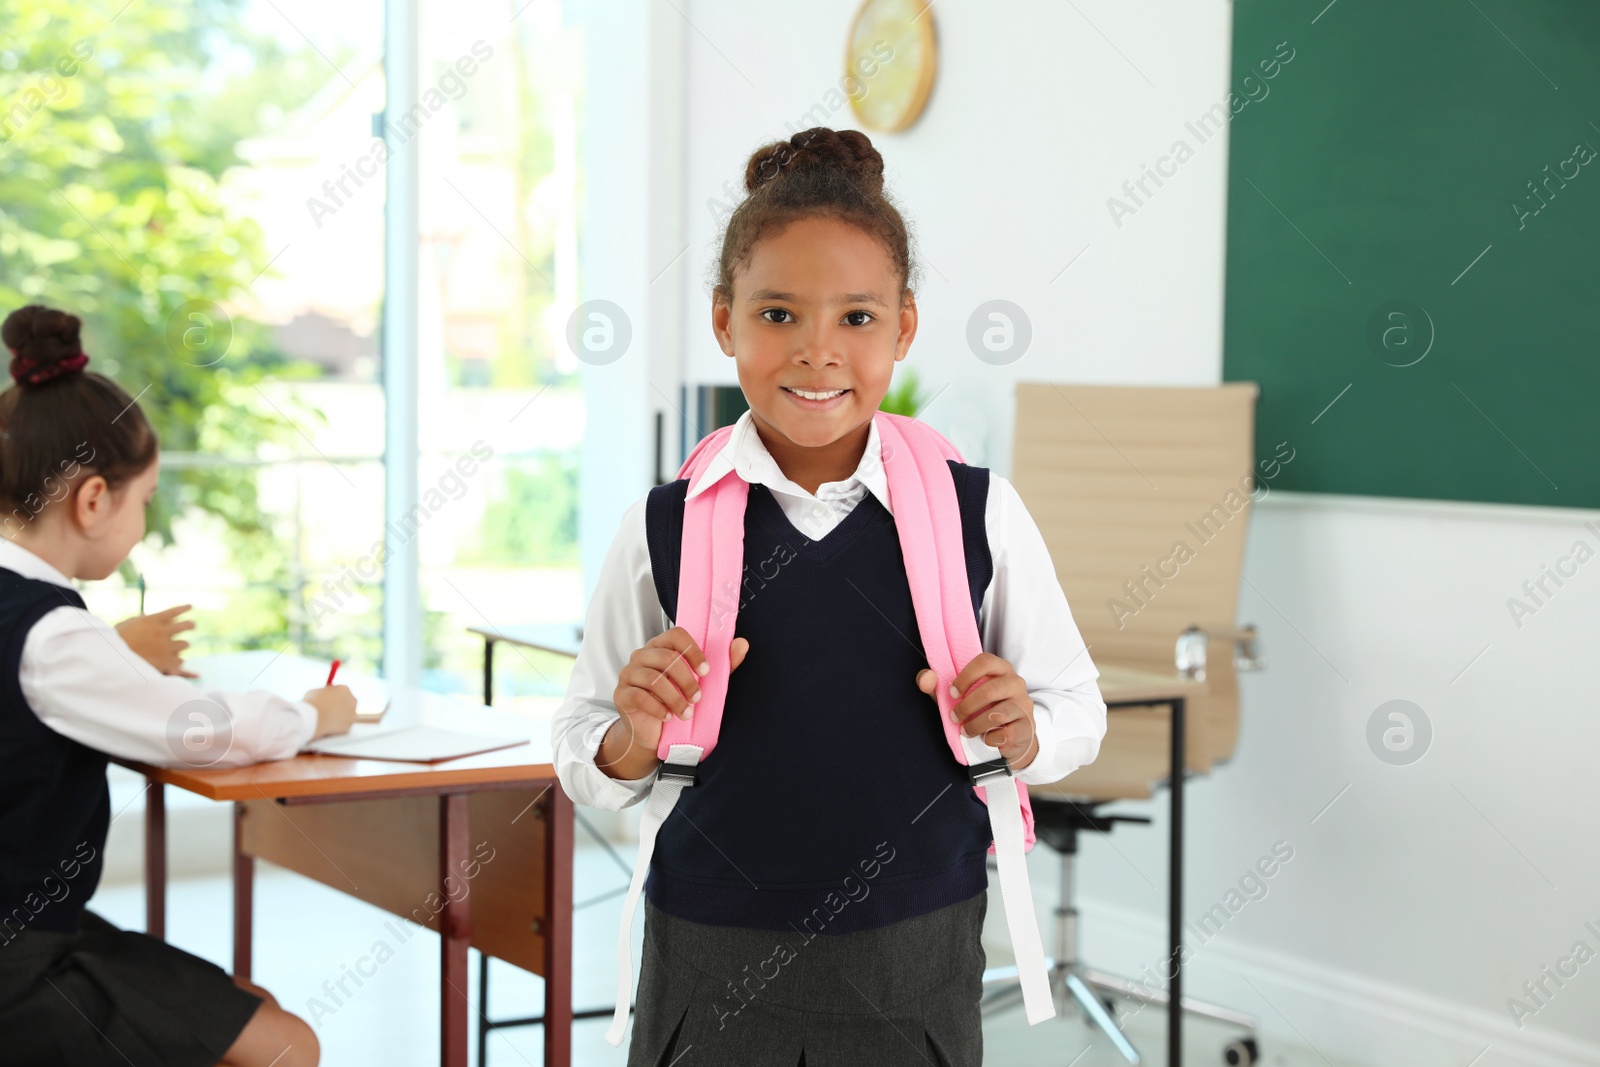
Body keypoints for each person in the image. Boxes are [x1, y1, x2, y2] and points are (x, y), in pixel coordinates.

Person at [552, 128, 1108, 1066]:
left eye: (856, 318)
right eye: (778, 315)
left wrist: (1025, 730)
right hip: (710, 946)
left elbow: (1076, 713)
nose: (817, 353)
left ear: (904, 328)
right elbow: (584, 741)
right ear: (724, 321)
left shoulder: (984, 515)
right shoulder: (663, 526)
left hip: (913, 949)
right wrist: (630, 735)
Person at [0, 304, 356, 1067]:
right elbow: (211, 727)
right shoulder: (54, 635)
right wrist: (316, 713)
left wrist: (116, 652)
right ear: (94, 500)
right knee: (290, 1044)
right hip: (20, 967)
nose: (144, 522)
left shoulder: (37, 622)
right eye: (146, 499)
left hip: (28, 932)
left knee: (252, 1005)